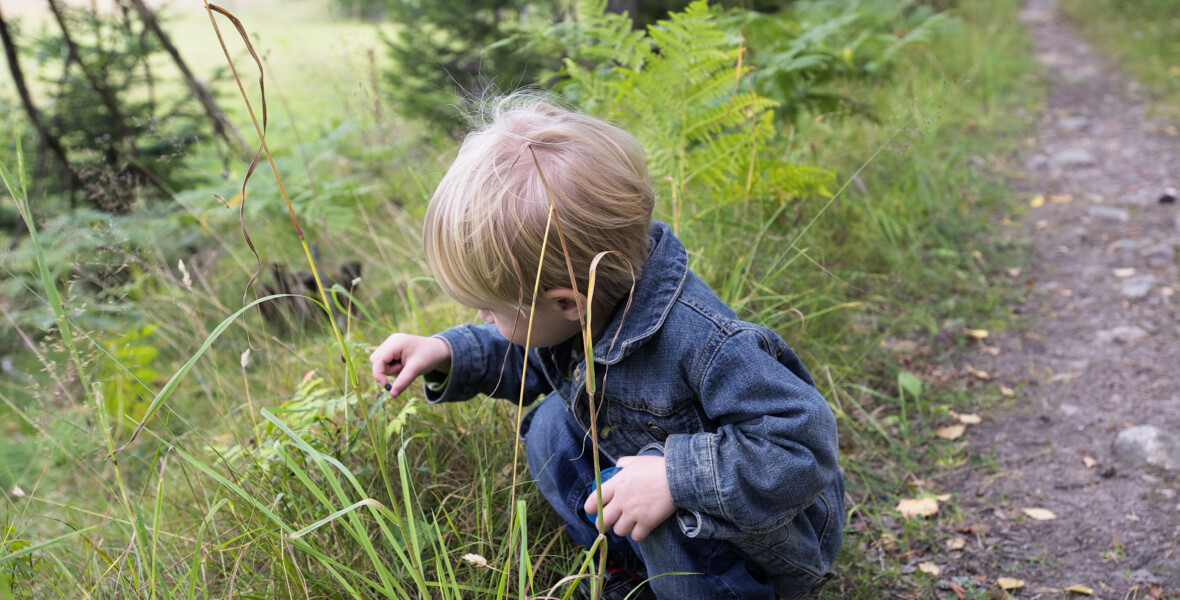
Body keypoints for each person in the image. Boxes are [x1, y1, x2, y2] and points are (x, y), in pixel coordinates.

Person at [369, 94, 844, 600]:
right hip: (682, 520)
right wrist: (447, 351)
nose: (483, 317)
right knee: (551, 425)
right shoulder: (594, 304)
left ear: (568, 303)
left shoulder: (705, 343)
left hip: (762, 545)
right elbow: (533, 353)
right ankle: (630, 573)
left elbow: (804, 447)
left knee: (655, 499)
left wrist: (675, 478)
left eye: (492, 309)